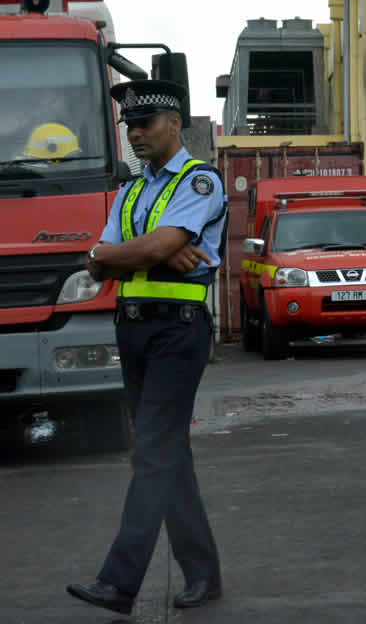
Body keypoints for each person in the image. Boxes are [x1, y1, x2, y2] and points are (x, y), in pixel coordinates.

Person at [66, 80, 227, 616]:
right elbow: (95, 262)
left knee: (152, 452)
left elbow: (152, 246)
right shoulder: (131, 191)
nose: (135, 133)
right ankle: (203, 573)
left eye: (146, 123)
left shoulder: (198, 181)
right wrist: (135, 253)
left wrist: (132, 252)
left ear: (175, 124)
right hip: (132, 327)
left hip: (178, 331)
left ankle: (119, 581)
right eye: (128, 125)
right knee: (168, 455)